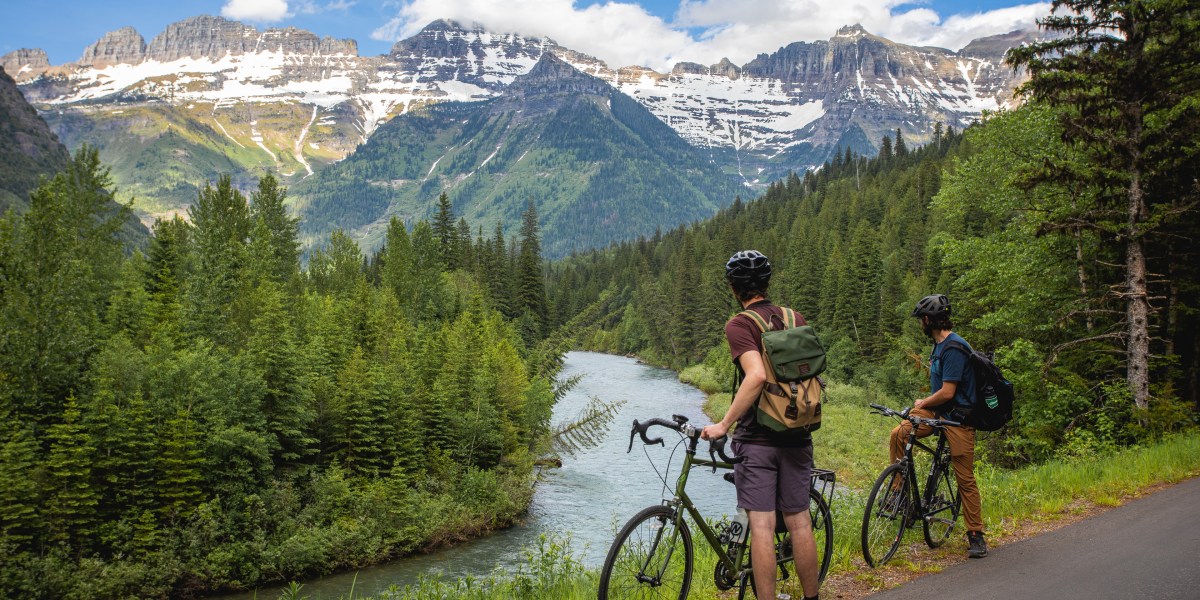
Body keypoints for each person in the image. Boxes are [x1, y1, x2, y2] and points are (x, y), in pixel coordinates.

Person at [702, 250, 820, 600]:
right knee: (800, 521)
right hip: (799, 433)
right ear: (767, 283)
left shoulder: (740, 324)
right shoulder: (794, 317)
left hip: (758, 440)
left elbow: (755, 376)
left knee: (763, 528)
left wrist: (724, 423)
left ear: (734, 288)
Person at [893, 293, 988, 558]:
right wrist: (921, 408)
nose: (920, 325)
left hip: (959, 420)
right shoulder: (939, 346)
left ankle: (976, 535)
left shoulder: (954, 348)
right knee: (900, 433)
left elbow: (947, 392)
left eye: (920, 320)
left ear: (927, 320)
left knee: (965, 478)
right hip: (938, 414)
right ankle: (899, 494)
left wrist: (924, 400)